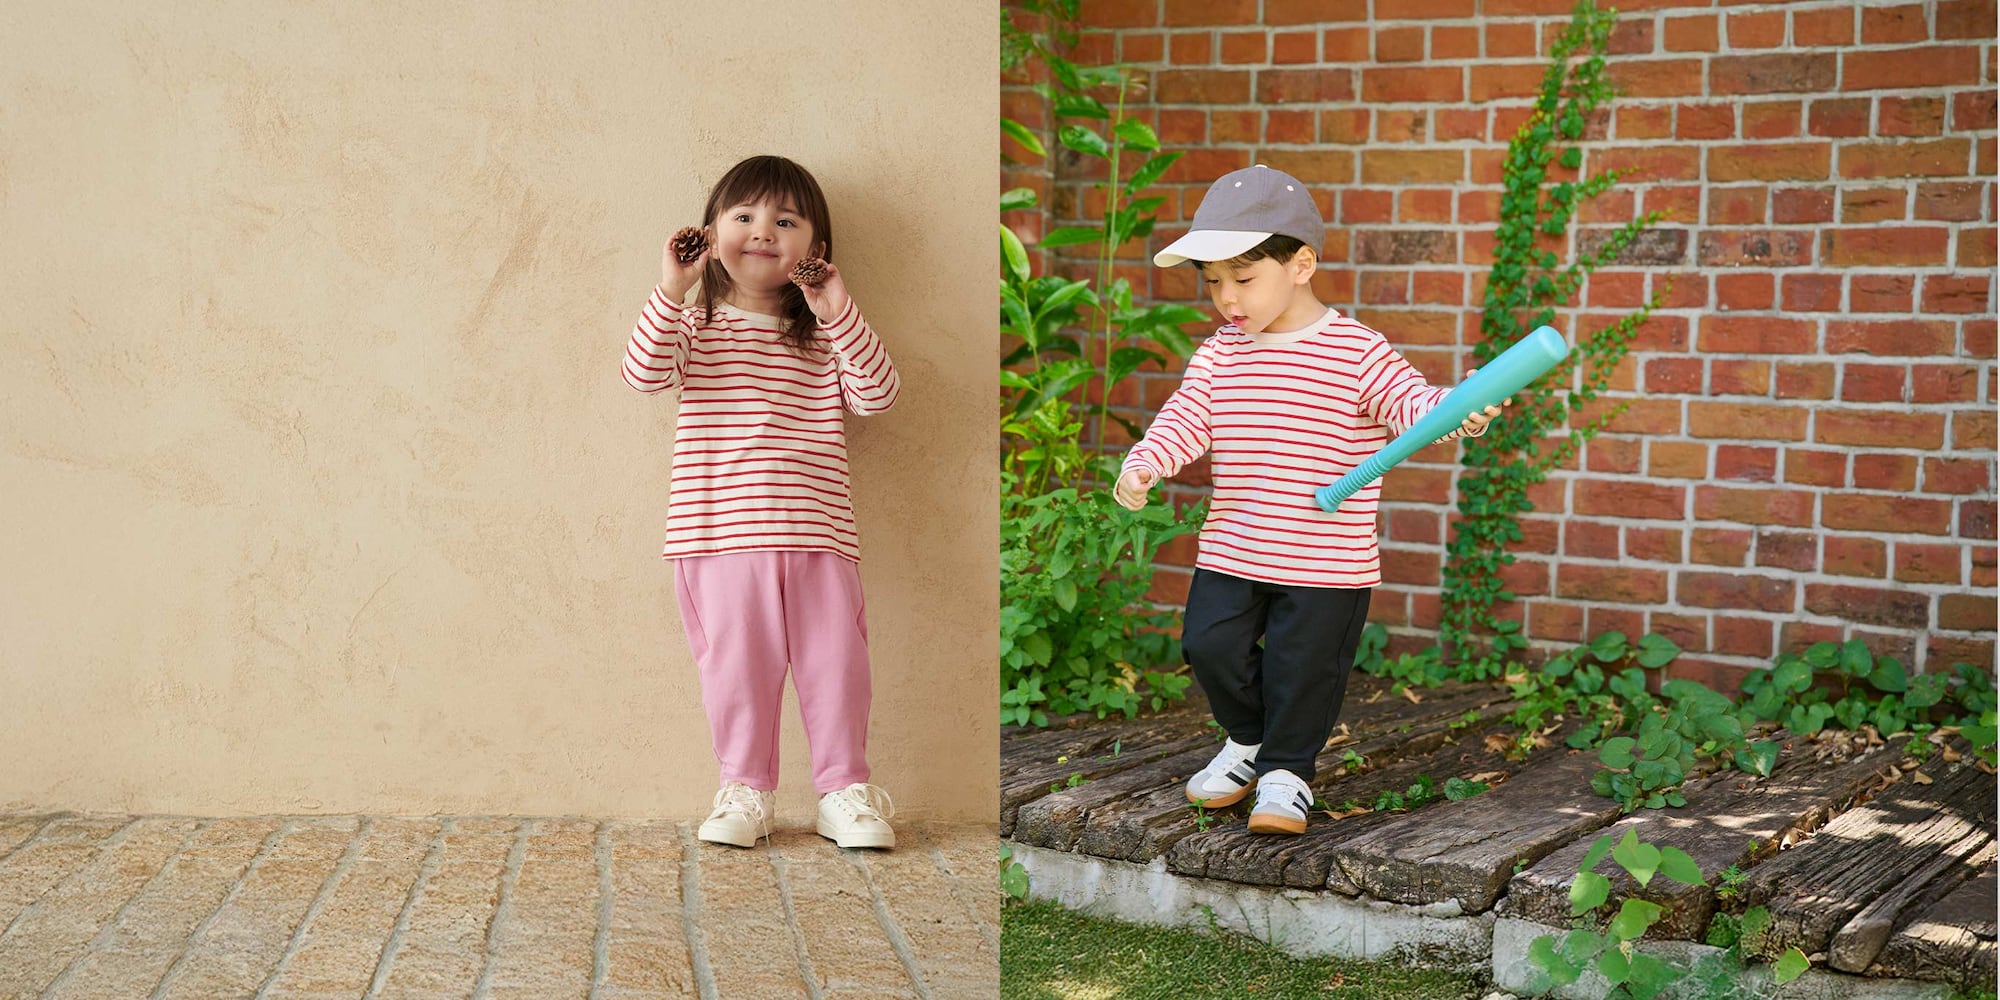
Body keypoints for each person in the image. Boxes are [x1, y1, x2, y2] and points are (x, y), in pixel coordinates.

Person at [1113, 164, 1504, 836]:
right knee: (1208, 645)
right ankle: (1248, 741)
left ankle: (1286, 773)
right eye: (1213, 284)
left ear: (1300, 264)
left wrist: (1454, 411)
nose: (1227, 299)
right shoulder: (1219, 354)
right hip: (1236, 543)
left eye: (1243, 278)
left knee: (1303, 670)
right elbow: (1187, 417)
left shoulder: (1355, 351)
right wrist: (1146, 461)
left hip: (1326, 558)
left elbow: (1412, 403)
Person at [622, 155, 900, 849]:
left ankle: (845, 792)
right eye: (743, 217)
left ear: (817, 249)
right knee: (737, 670)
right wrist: (672, 288)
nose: (762, 231)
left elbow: (877, 394)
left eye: (785, 221)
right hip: (717, 536)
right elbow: (643, 373)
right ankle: (745, 790)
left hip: (818, 534)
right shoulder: (695, 326)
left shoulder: (823, 338)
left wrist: (835, 308)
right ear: (713, 235)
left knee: (838, 668)